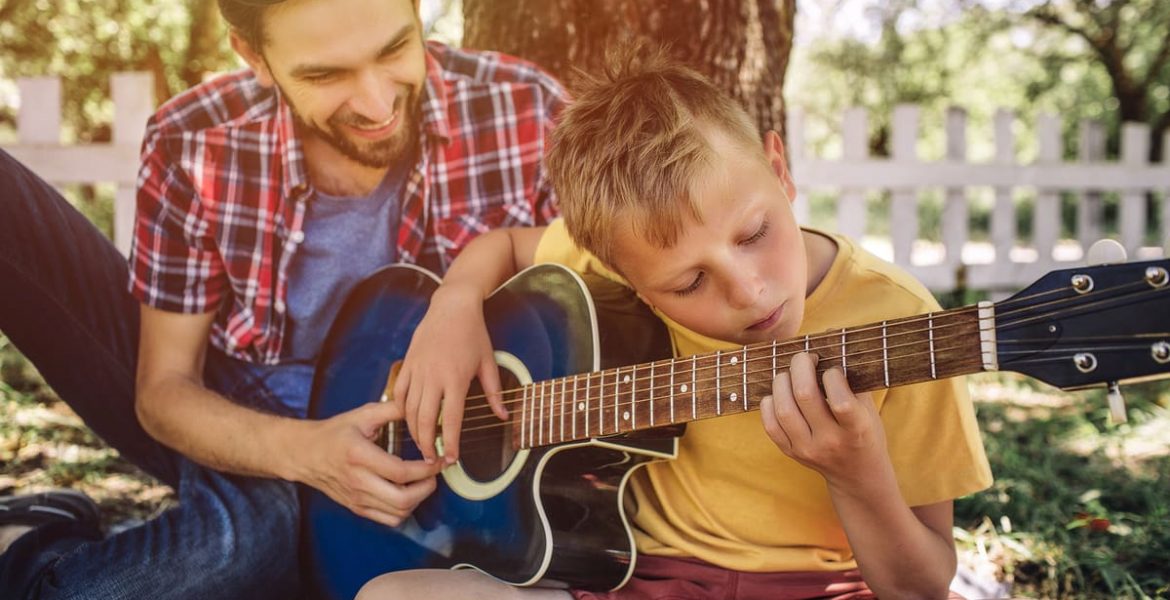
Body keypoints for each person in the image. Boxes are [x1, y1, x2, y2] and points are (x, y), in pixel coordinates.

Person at [359, 46, 993, 600]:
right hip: (630, 580)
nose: (749, 290)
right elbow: (503, 246)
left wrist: (858, 475)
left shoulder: (904, 322)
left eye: (754, 233)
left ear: (780, 169)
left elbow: (918, 586)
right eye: (689, 283)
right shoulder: (616, 253)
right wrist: (454, 306)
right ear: (624, 275)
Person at [0, 0, 566, 596]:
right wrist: (309, 455)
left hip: (419, 456)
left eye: (395, 49)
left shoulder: (525, 109)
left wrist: (460, 301)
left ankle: (30, 547)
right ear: (254, 57)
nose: (377, 104)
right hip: (239, 410)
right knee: (240, 547)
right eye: (325, 75)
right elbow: (163, 390)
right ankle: (32, 538)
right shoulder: (192, 139)